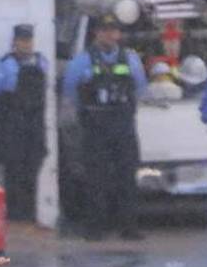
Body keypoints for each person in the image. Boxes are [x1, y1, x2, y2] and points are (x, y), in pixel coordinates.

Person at [62, 13, 148, 241]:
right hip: (95, 126)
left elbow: (140, 88)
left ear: (118, 34)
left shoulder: (130, 59)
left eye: (113, 30)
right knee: (95, 179)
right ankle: (95, 227)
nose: (109, 35)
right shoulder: (82, 61)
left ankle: (128, 227)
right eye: (105, 30)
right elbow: (71, 90)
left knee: (127, 178)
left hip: (123, 125)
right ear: (97, 33)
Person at [0, 23, 49, 223]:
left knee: (31, 171)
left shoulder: (41, 62)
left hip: (34, 126)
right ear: (14, 42)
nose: (25, 44)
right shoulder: (4, 65)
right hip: (12, 125)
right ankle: (13, 216)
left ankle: (29, 216)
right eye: (21, 40)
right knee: (12, 172)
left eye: (28, 40)